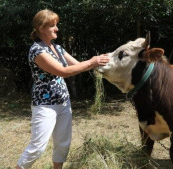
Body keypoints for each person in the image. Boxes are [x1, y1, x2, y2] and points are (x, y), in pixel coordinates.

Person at [16, 9, 109, 169]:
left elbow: (77, 65)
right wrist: (92, 62)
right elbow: (63, 71)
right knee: (37, 147)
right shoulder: (37, 50)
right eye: (52, 25)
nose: (57, 29)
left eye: (56, 25)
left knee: (63, 143)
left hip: (63, 102)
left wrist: (100, 63)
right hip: (45, 105)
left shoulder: (57, 48)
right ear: (41, 28)